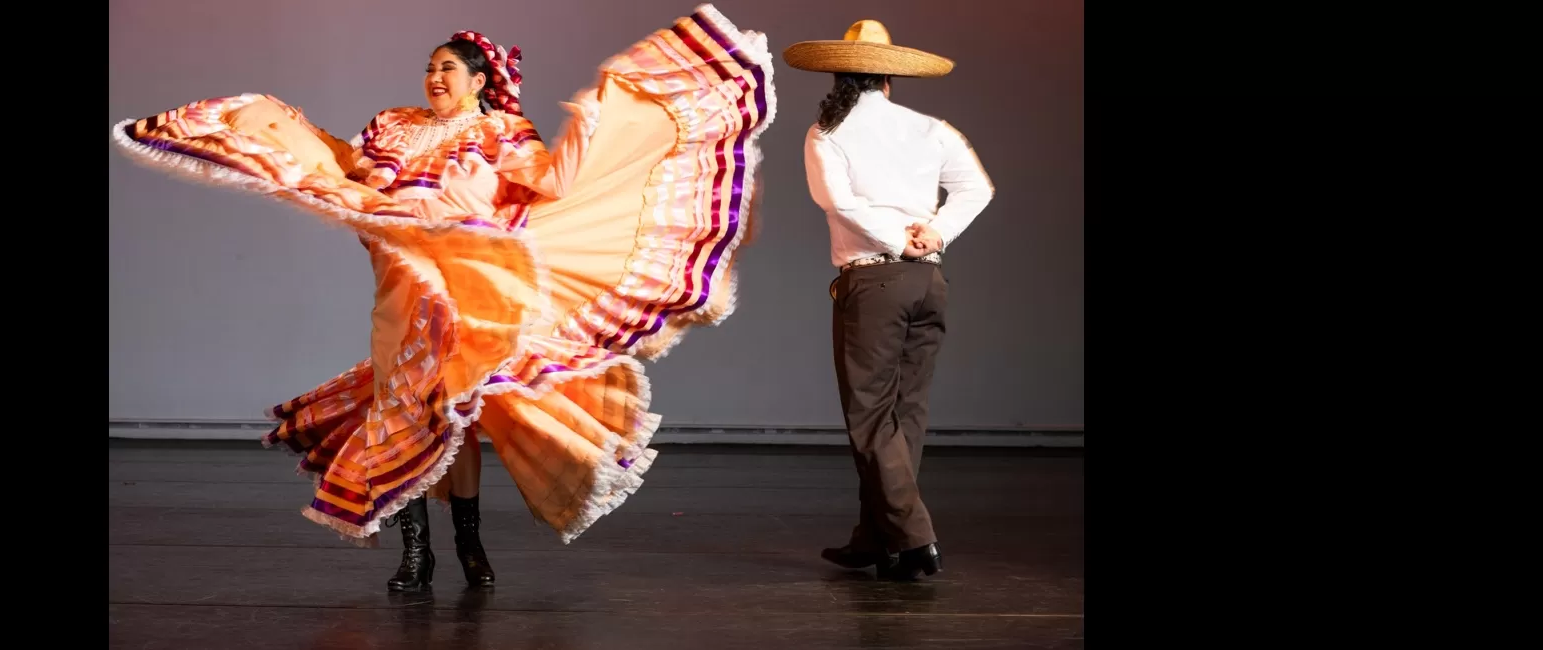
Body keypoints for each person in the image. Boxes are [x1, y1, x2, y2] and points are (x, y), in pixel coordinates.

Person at [111, 5, 779, 591]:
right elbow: (350, 170)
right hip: (399, 281)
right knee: (400, 405)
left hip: (466, 287)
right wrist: (282, 130)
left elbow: (552, 182)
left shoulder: (502, 134)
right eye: (430, 67)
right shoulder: (394, 127)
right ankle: (417, 552)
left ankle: (465, 541)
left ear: (480, 81)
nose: (434, 78)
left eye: (448, 70)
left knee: (453, 413)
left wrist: (590, 117)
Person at [786, 19, 994, 581]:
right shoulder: (931, 128)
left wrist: (897, 238)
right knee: (905, 417)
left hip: (876, 281)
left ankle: (914, 538)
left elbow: (838, 202)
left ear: (839, 73)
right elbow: (978, 187)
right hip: (929, 280)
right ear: (889, 79)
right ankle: (878, 540)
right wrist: (936, 234)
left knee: (871, 415)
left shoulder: (827, 133)